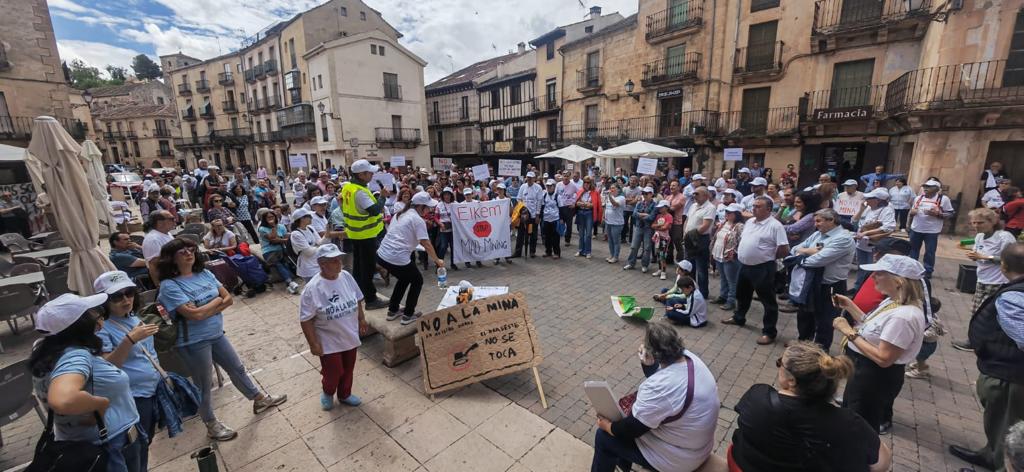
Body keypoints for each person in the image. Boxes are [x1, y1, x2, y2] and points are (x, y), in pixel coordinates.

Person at [156, 238, 287, 440]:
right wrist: (216, 301)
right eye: (181, 252)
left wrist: (209, 305)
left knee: (237, 368)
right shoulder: (169, 286)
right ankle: (211, 424)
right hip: (193, 341)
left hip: (216, 333)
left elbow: (228, 299)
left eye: (190, 249)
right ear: (170, 259)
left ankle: (259, 399)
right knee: (203, 384)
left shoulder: (205, 273)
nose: (188, 253)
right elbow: (196, 315)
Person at [730, 341, 892, 472]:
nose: (778, 365)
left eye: (780, 363)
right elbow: (881, 463)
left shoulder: (758, 395)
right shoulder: (848, 422)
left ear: (792, 380)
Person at [30, 292, 145, 472]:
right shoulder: (76, 356)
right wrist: (100, 404)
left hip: (81, 441)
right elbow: (63, 399)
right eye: (91, 312)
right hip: (110, 446)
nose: (98, 315)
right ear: (79, 323)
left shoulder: (45, 350)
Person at [591, 322, 719, 472]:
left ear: (654, 353)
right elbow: (664, 381)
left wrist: (607, 426)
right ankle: (622, 465)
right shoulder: (689, 358)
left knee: (605, 436)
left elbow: (631, 429)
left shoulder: (660, 387)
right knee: (629, 416)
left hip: (680, 458)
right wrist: (648, 364)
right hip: (696, 445)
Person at [831, 254, 928, 432]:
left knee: (858, 425)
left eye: (879, 273)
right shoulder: (893, 301)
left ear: (898, 281)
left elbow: (884, 358)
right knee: (851, 415)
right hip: (864, 371)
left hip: (874, 376)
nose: (873, 277)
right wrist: (850, 306)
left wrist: (848, 332)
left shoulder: (903, 317)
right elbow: (872, 326)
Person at [949, 243, 1024, 472]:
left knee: (1008, 423)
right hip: (1004, 368)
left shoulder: (1014, 295)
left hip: (1010, 374)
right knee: (997, 419)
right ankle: (990, 453)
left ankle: (1003, 464)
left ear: (1003, 265)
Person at [93, 271, 162, 472]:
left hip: (151, 390)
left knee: (145, 440)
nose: (125, 300)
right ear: (104, 301)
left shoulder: (132, 317)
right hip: (133, 396)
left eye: (129, 293)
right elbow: (107, 366)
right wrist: (130, 340)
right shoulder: (102, 329)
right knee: (135, 447)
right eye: (117, 296)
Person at [299, 244, 369, 410]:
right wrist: (313, 344)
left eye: (339, 259)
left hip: (349, 334)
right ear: (322, 264)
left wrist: (362, 319)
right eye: (334, 260)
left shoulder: (345, 276)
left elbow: (357, 298)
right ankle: (328, 391)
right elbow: (306, 319)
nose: (340, 263)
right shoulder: (312, 289)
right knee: (334, 370)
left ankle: (344, 394)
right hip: (328, 339)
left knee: (349, 368)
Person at [723, 196, 790, 345]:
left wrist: (768, 257)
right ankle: (739, 317)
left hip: (763, 268)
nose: (754, 208)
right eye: (753, 206)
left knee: (768, 301)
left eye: (758, 206)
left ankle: (769, 332)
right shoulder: (750, 222)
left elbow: (784, 249)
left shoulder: (775, 225)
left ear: (768, 209)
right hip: (744, 265)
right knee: (742, 294)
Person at [789, 208, 855, 350]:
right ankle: (802, 346)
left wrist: (799, 258)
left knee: (825, 322)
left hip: (830, 286)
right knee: (805, 316)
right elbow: (794, 249)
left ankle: (819, 353)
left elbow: (817, 260)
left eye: (819, 221)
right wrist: (807, 252)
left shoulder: (843, 239)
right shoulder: (818, 234)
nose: (815, 224)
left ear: (831, 220)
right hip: (811, 283)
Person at [376, 191, 444, 325]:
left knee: (405, 278)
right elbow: (426, 243)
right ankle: (408, 314)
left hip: (382, 255)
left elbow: (401, 235)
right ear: (420, 206)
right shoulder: (417, 220)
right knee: (417, 280)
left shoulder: (400, 214)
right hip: (396, 256)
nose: (430, 210)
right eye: (428, 207)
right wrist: (437, 261)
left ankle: (393, 310)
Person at [340, 160, 389, 310]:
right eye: (369, 172)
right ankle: (371, 299)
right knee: (367, 268)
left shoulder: (349, 187)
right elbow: (374, 210)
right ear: (361, 174)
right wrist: (382, 197)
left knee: (359, 267)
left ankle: (358, 293)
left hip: (355, 233)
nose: (372, 175)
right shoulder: (360, 192)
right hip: (365, 235)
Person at [968, 208, 1018, 313]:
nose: (976, 225)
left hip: (998, 282)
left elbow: (1010, 260)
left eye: (981, 222)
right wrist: (974, 256)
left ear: (993, 222)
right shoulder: (979, 236)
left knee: (985, 313)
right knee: (975, 312)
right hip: (981, 280)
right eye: (974, 223)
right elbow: (977, 254)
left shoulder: (1004, 237)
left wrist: (984, 257)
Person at [851, 188, 897, 293]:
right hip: (861, 243)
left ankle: (868, 291)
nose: (866, 200)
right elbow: (853, 220)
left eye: (869, 198)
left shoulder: (887, 210)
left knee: (872, 269)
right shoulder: (868, 208)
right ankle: (857, 288)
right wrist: (861, 209)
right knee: (861, 267)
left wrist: (866, 233)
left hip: (873, 244)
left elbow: (888, 227)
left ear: (878, 200)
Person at [909, 179, 954, 279]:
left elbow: (950, 213)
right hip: (916, 228)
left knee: (930, 251)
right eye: (925, 186)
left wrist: (938, 214)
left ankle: (928, 270)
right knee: (913, 250)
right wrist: (912, 214)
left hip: (932, 231)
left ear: (936, 189)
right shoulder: (918, 198)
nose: (925, 189)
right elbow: (912, 211)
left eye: (928, 187)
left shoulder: (943, 199)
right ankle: (912, 268)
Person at [257, 210, 300, 294]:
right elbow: (273, 239)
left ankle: (289, 283)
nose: (271, 219)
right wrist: (273, 227)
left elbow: (285, 236)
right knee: (278, 263)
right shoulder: (262, 229)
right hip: (269, 251)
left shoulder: (281, 226)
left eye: (272, 217)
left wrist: (285, 239)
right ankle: (290, 282)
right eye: (268, 217)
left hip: (281, 249)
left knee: (285, 263)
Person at [683, 187, 715, 298]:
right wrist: (685, 235)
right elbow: (687, 220)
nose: (694, 196)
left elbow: (705, 225)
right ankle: (691, 290)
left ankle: (703, 293)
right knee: (689, 266)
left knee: (701, 269)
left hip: (700, 239)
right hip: (689, 238)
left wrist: (691, 235)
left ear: (706, 196)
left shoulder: (710, 207)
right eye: (694, 194)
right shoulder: (693, 205)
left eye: (697, 194)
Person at [712, 203, 744, 311]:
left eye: (730, 212)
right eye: (726, 212)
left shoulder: (739, 226)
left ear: (736, 214)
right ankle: (723, 296)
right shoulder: (724, 223)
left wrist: (734, 253)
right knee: (723, 277)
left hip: (730, 257)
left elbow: (741, 242)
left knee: (732, 280)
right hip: (719, 254)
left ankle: (731, 301)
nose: (727, 214)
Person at [290, 208, 330, 281]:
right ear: (302, 219)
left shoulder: (310, 228)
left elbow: (320, 242)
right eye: (309, 216)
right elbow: (308, 252)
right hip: (308, 268)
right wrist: (318, 246)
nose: (311, 218)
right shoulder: (296, 234)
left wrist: (327, 233)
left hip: (318, 264)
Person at [142, 210, 176, 283]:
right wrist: (158, 285)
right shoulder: (153, 239)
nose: (175, 220)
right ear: (160, 222)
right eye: (171, 219)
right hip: (167, 278)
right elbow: (154, 265)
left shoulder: (167, 233)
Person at [517, 171, 544, 257]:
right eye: (528, 177)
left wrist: (537, 215)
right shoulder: (523, 186)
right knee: (521, 234)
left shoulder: (538, 188)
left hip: (532, 215)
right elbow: (519, 198)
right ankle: (518, 252)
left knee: (533, 234)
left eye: (531, 178)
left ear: (534, 179)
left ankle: (532, 251)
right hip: (524, 215)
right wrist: (522, 208)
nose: (529, 179)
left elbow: (539, 202)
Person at [575, 177, 602, 258]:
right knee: (581, 234)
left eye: (588, 182)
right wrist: (579, 203)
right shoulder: (580, 191)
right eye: (585, 182)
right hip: (580, 213)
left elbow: (597, 204)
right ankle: (580, 250)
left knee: (588, 234)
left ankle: (588, 252)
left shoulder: (595, 192)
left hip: (589, 213)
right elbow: (576, 202)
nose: (586, 184)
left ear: (591, 183)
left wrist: (591, 205)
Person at [651, 200, 674, 280]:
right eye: (659, 207)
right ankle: (660, 269)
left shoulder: (669, 216)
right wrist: (660, 225)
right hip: (657, 238)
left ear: (666, 207)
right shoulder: (658, 216)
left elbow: (666, 227)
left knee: (662, 255)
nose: (660, 208)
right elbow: (653, 225)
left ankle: (664, 272)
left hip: (664, 238)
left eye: (662, 207)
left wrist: (658, 226)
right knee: (658, 254)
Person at [603, 185, 625, 263]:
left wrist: (609, 196)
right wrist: (604, 216)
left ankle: (616, 256)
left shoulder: (621, 198)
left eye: (613, 188)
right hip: (608, 222)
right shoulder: (610, 197)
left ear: (618, 190)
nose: (611, 189)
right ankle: (612, 255)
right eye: (611, 188)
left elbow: (615, 204)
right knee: (610, 240)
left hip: (617, 223)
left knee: (616, 241)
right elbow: (606, 207)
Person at [555, 172, 578, 247]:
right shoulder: (558, 184)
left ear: (569, 177)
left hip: (569, 208)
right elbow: (555, 195)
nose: (566, 177)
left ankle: (567, 240)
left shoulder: (573, 185)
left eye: (567, 176)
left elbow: (578, 194)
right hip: (560, 207)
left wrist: (574, 203)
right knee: (560, 223)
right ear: (562, 176)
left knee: (569, 225)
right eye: (564, 176)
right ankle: (557, 237)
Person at [667, 181, 687, 263]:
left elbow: (673, 208)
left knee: (677, 240)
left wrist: (665, 208)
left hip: (677, 222)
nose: (672, 187)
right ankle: (669, 258)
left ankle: (680, 259)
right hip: (668, 222)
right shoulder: (668, 197)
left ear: (679, 187)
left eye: (674, 185)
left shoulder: (682, 197)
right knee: (669, 241)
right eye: (671, 185)